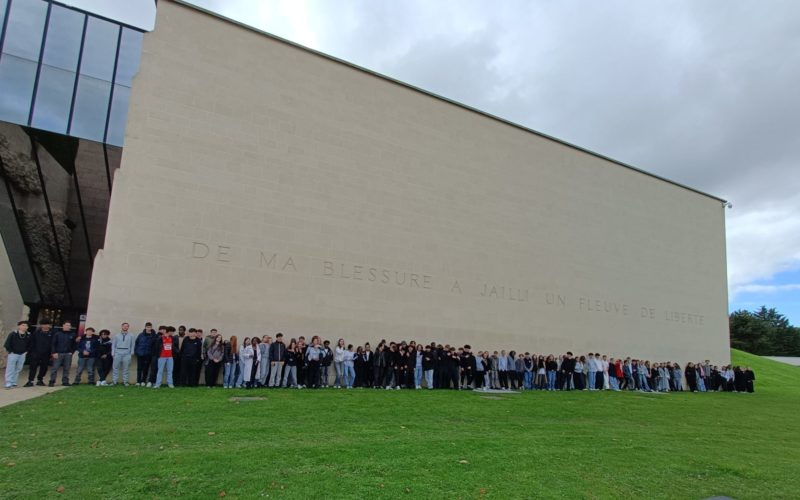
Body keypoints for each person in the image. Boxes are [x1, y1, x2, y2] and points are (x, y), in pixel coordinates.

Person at [25, 320, 53, 387]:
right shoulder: (36, 333)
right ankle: (30, 381)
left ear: (50, 326)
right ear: (41, 325)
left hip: (46, 354)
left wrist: (51, 353)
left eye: (48, 324)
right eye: (44, 324)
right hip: (36, 353)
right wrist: (32, 352)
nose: (46, 326)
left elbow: (53, 344)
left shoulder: (52, 334)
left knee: (44, 367)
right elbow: (32, 343)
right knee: (33, 367)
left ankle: (40, 380)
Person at [4, 321, 30, 389]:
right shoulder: (13, 334)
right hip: (13, 353)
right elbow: (7, 343)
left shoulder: (28, 335)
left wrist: (26, 351)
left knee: (19, 368)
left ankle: (14, 381)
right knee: (10, 368)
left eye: (26, 326)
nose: (24, 327)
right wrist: (11, 351)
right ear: (19, 326)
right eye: (23, 325)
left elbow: (30, 344)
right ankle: (8, 382)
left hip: (22, 354)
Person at [49, 321, 76, 387]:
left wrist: (71, 352)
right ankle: (52, 381)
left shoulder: (72, 334)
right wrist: (54, 352)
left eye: (69, 325)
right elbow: (53, 344)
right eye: (66, 325)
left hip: (68, 354)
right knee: (55, 368)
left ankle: (65, 381)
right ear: (63, 326)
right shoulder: (57, 334)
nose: (68, 326)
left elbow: (74, 344)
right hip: (58, 353)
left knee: (67, 368)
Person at [134, 322, 157, 387]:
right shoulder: (141, 335)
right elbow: (137, 343)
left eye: (150, 327)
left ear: (151, 327)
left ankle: (143, 381)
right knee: (139, 368)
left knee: (145, 368)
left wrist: (152, 353)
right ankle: (138, 381)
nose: (148, 328)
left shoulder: (154, 335)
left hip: (148, 354)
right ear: (145, 327)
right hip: (140, 354)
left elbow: (154, 345)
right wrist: (136, 351)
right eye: (147, 327)